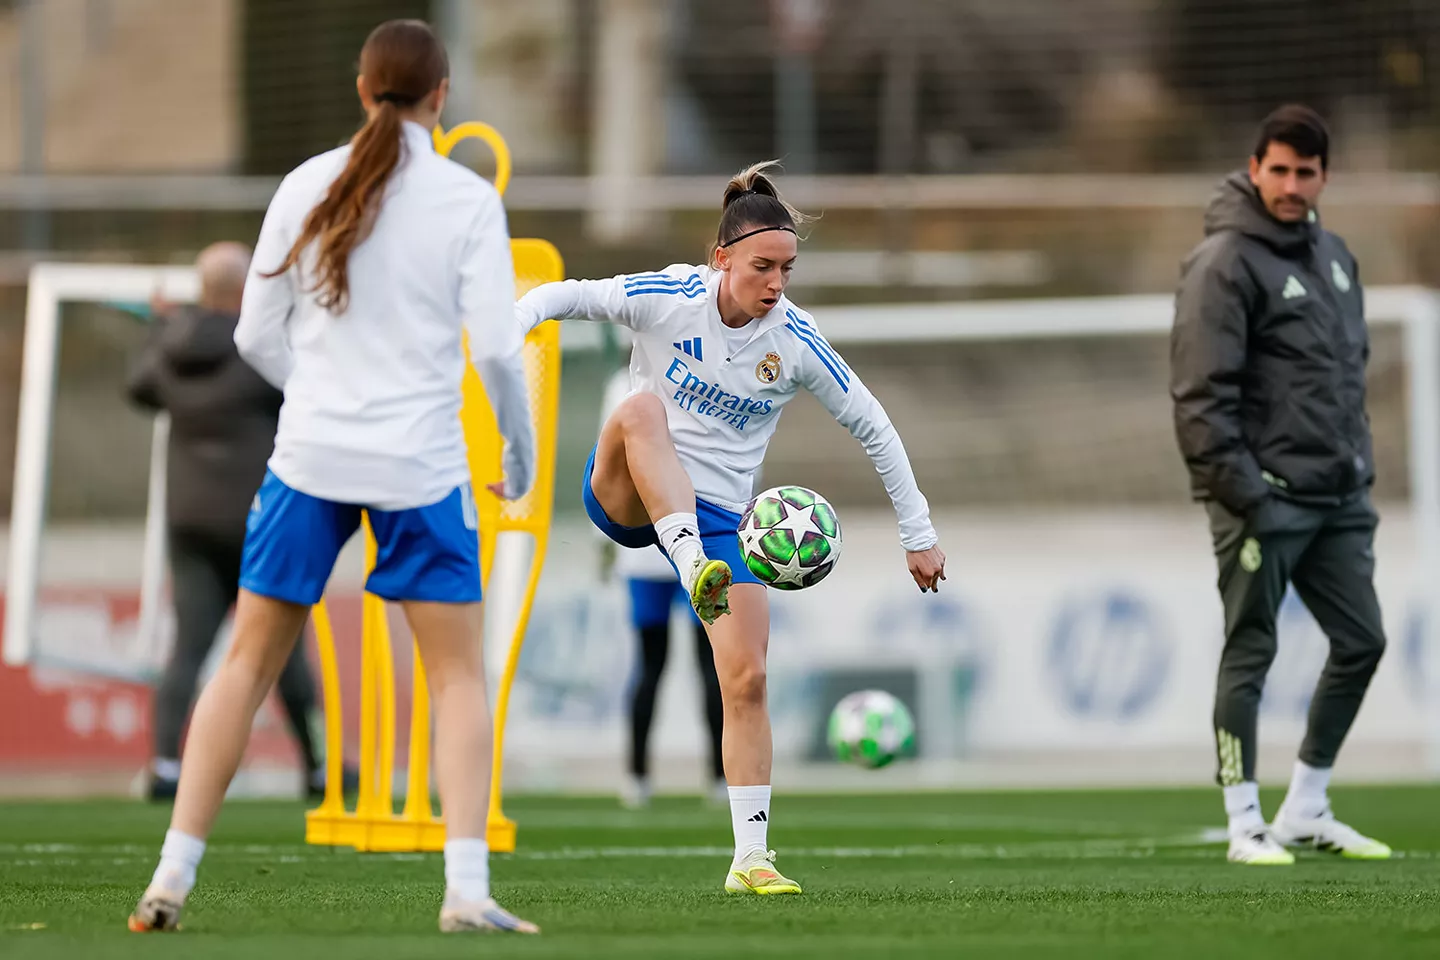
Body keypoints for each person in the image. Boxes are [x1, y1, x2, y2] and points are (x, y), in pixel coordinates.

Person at [129, 20, 539, 934]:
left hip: (308, 458)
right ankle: (466, 891)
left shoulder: (303, 182)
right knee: (456, 678)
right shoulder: (467, 200)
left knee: (243, 664)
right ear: (442, 97)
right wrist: (518, 450)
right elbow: (503, 354)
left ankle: (170, 877)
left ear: (362, 89)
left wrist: (316, 395)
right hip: (422, 466)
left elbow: (251, 336)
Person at [513, 161, 947, 895]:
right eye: (761, 266)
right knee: (639, 410)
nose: (776, 283)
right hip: (628, 496)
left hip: (723, 527)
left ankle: (751, 858)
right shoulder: (669, 297)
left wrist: (919, 532)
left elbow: (874, 425)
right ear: (722, 259)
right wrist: (508, 334)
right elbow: (562, 296)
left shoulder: (796, 340)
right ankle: (685, 563)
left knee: (745, 679)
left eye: (787, 268)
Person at [1170, 104, 1390, 866]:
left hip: (1338, 499)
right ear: (1256, 167)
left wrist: (1356, 473)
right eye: (1280, 169)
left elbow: (1345, 378)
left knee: (1362, 642)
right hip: (1262, 499)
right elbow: (1200, 396)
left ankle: (1307, 805)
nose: (1292, 184)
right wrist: (1248, 496)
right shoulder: (1224, 261)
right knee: (1251, 651)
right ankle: (1243, 822)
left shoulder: (1335, 255)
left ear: (1324, 176)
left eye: (1306, 171)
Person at [127, 242, 350, 803]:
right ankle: (319, 767)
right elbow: (312, 388)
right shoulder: (260, 349)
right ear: (245, 287)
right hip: (257, 519)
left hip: (191, 523)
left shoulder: (172, 349)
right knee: (283, 650)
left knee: (187, 650)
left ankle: (163, 766)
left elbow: (139, 388)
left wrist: (161, 328)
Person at [598, 367, 726, 810]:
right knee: (655, 665)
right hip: (647, 551)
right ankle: (638, 773)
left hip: (701, 549)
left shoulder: (712, 370)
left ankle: (719, 774)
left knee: (711, 665)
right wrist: (607, 544)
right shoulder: (622, 386)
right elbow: (607, 463)